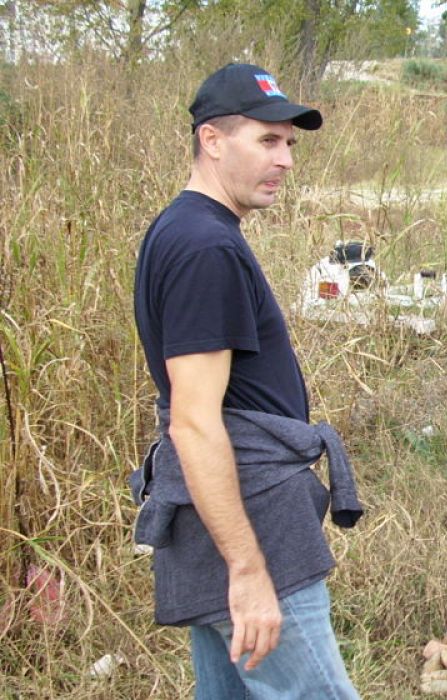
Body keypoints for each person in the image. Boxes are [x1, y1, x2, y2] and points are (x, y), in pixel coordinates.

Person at [131, 63, 362, 697]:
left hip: (218, 503)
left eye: (289, 142)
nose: (285, 159)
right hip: (249, 510)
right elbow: (194, 419)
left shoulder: (183, 229)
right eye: (266, 140)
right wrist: (248, 568)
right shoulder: (207, 248)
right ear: (211, 140)